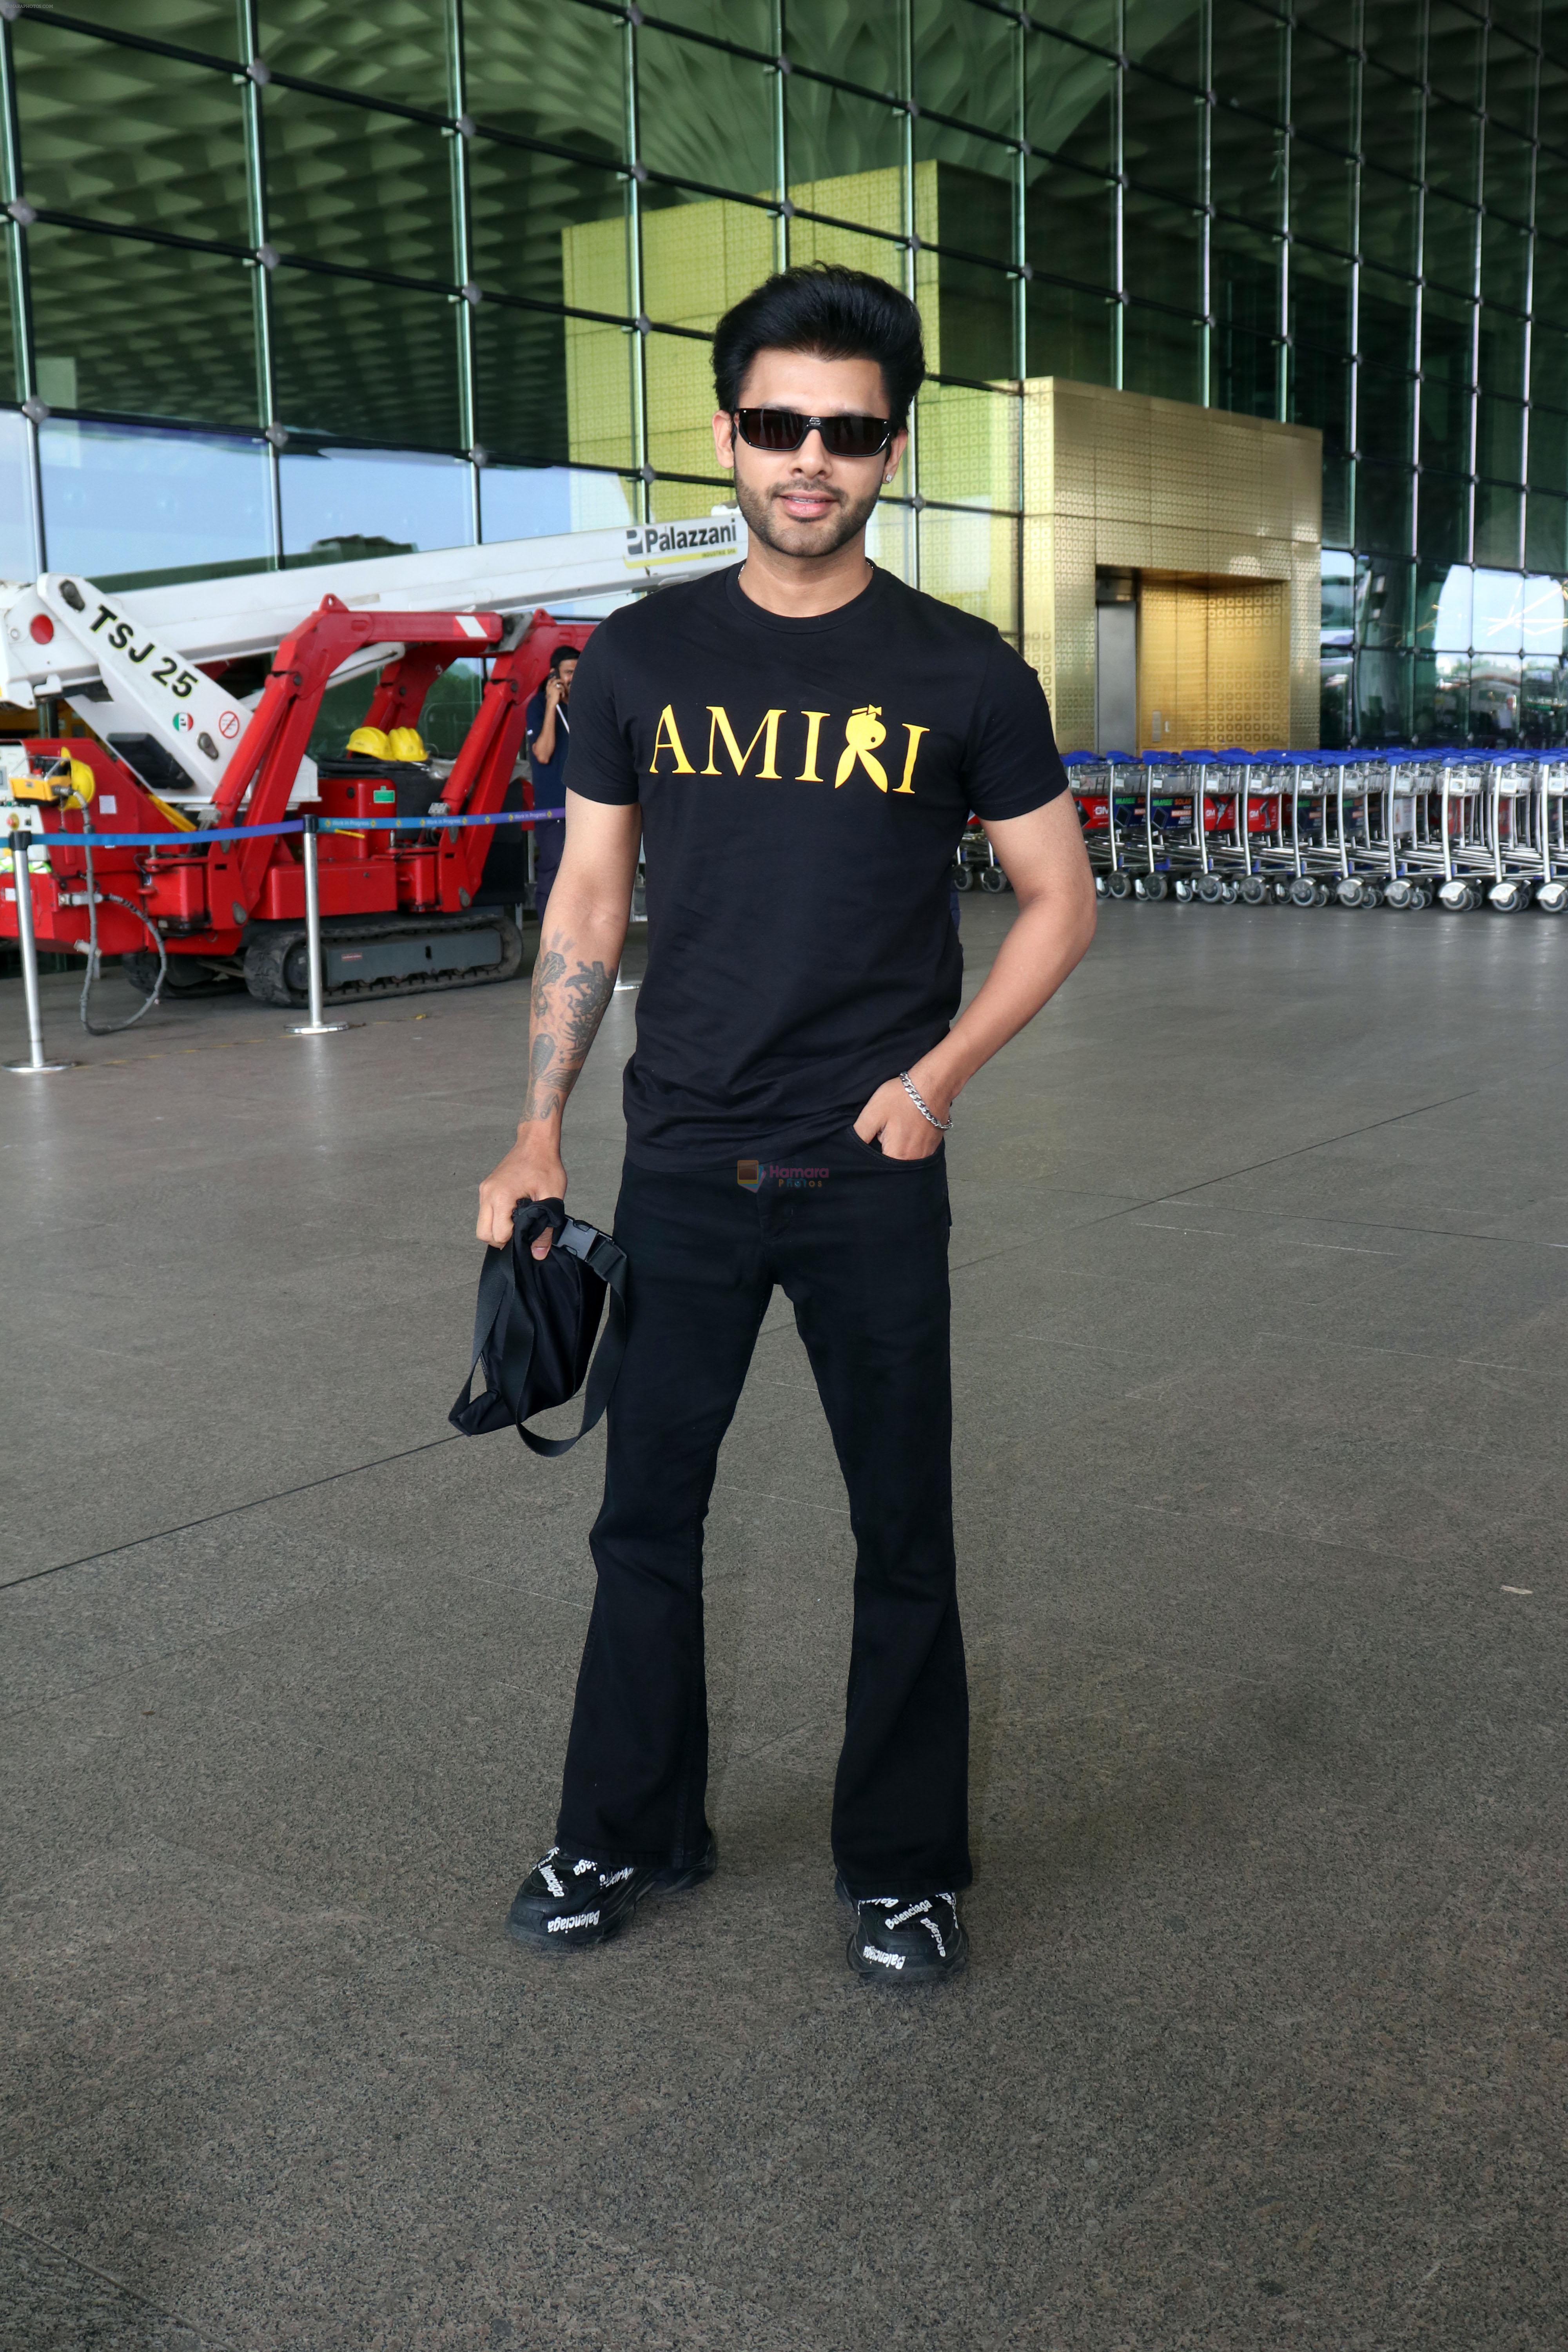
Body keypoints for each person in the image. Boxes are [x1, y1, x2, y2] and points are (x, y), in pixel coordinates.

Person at [476, 263, 1096, 1983]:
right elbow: (590, 895)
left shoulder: (960, 670)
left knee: (899, 1528)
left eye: (842, 431)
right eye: (773, 425)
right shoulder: (640, 654)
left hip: (868, 1173)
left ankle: (899, 1862)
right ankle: (623, 1829)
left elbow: (1056, 897)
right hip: (676, 1160)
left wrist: (934, 1081)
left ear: (890, 448)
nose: (804, 459)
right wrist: (537, 1125)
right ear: (727, 432)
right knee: (641, 1519)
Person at [523, 644, 577, 926]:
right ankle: (549, 938)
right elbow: (543, 753)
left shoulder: (589, 704)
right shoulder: (538, 706)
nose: (574, 679)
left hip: (585, 809)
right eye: (569, 673)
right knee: (554, 872)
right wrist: (552, 706)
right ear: (555, 675)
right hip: (554, 811)